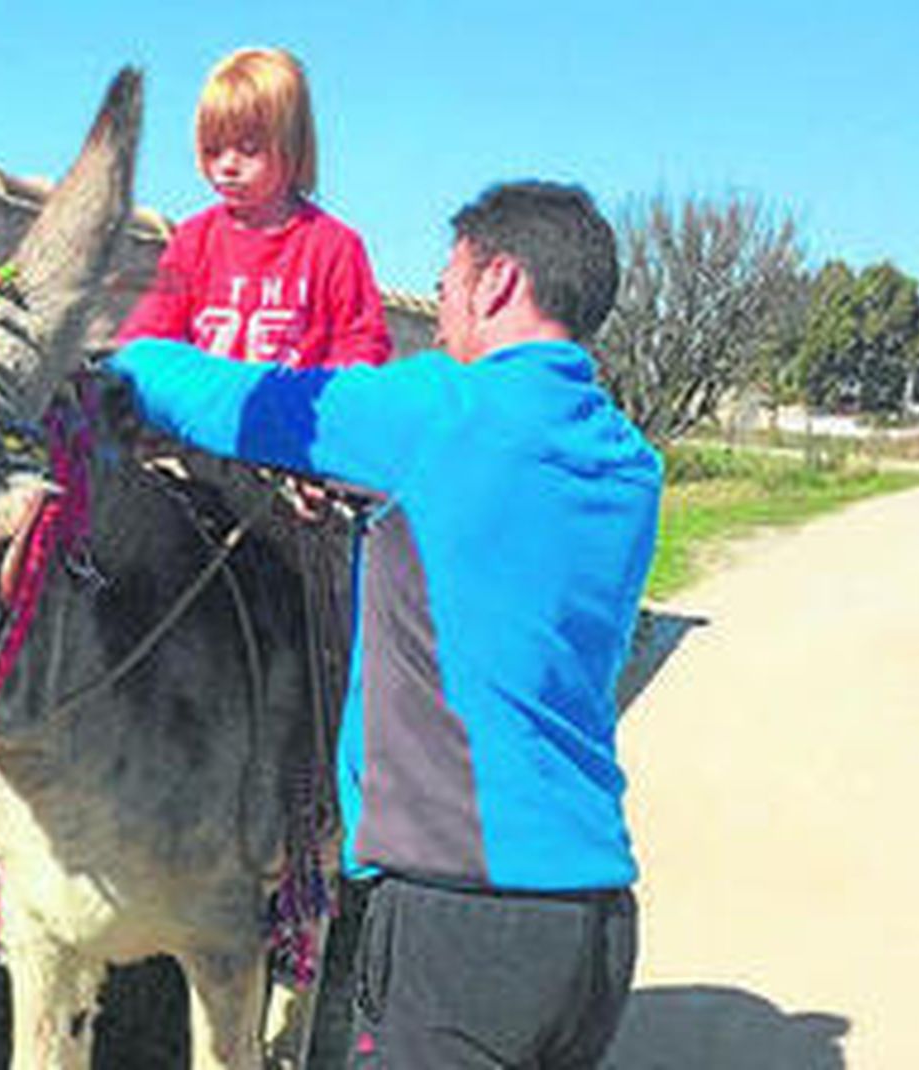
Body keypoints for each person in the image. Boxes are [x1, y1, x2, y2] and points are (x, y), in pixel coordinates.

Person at [106, 181, 662, 1069]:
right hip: (594, 924)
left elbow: (236, 399)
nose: (438, 307)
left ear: (496, 282)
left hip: (466, 918)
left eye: (446, 282)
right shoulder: (630, 461)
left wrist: (124, 356)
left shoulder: (441, 412)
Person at [115, 46, 392, 369]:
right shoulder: (192, 241)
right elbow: (151, 330)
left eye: (248, 149)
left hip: (297, 415)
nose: (228, 165)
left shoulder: (335, 247)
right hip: (206, 414)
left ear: (291, 145)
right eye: (213, 150)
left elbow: (362, 345)